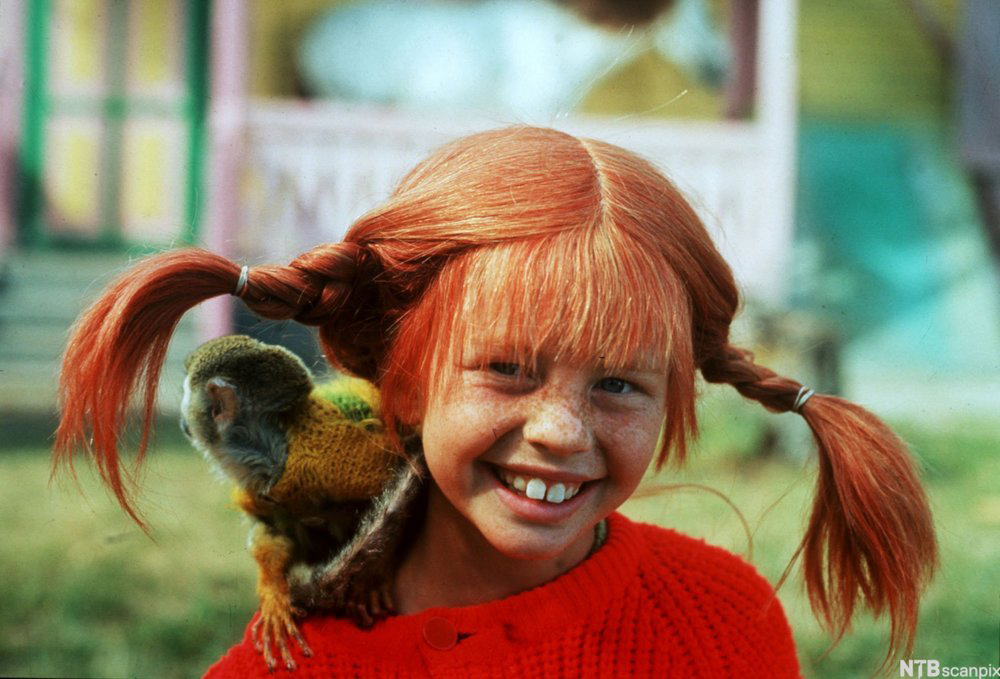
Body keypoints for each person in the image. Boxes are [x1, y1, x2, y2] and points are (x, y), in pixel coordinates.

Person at [54, 126, 936, 677]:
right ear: (402, 376)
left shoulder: (718, 626)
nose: (559, 431)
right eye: (508, 369)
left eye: (618, 383)